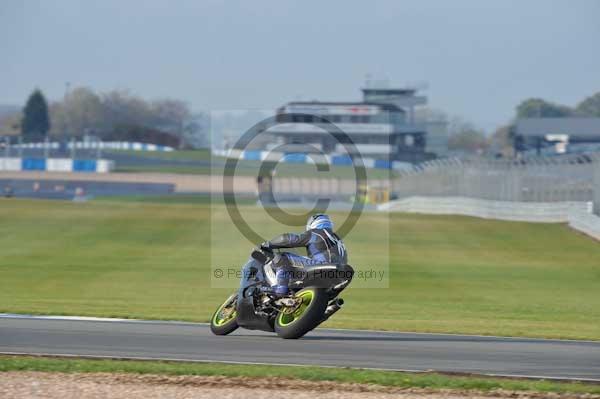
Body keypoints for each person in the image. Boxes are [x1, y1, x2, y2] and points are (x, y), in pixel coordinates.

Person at [259, 214, 347, 296]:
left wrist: (268, 244)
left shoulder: (316, 232)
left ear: (312, 224)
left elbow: (289, 239)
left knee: (281, 257)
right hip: (338, 276)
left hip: (322, 266)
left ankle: (281, 288)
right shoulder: (338, 240)